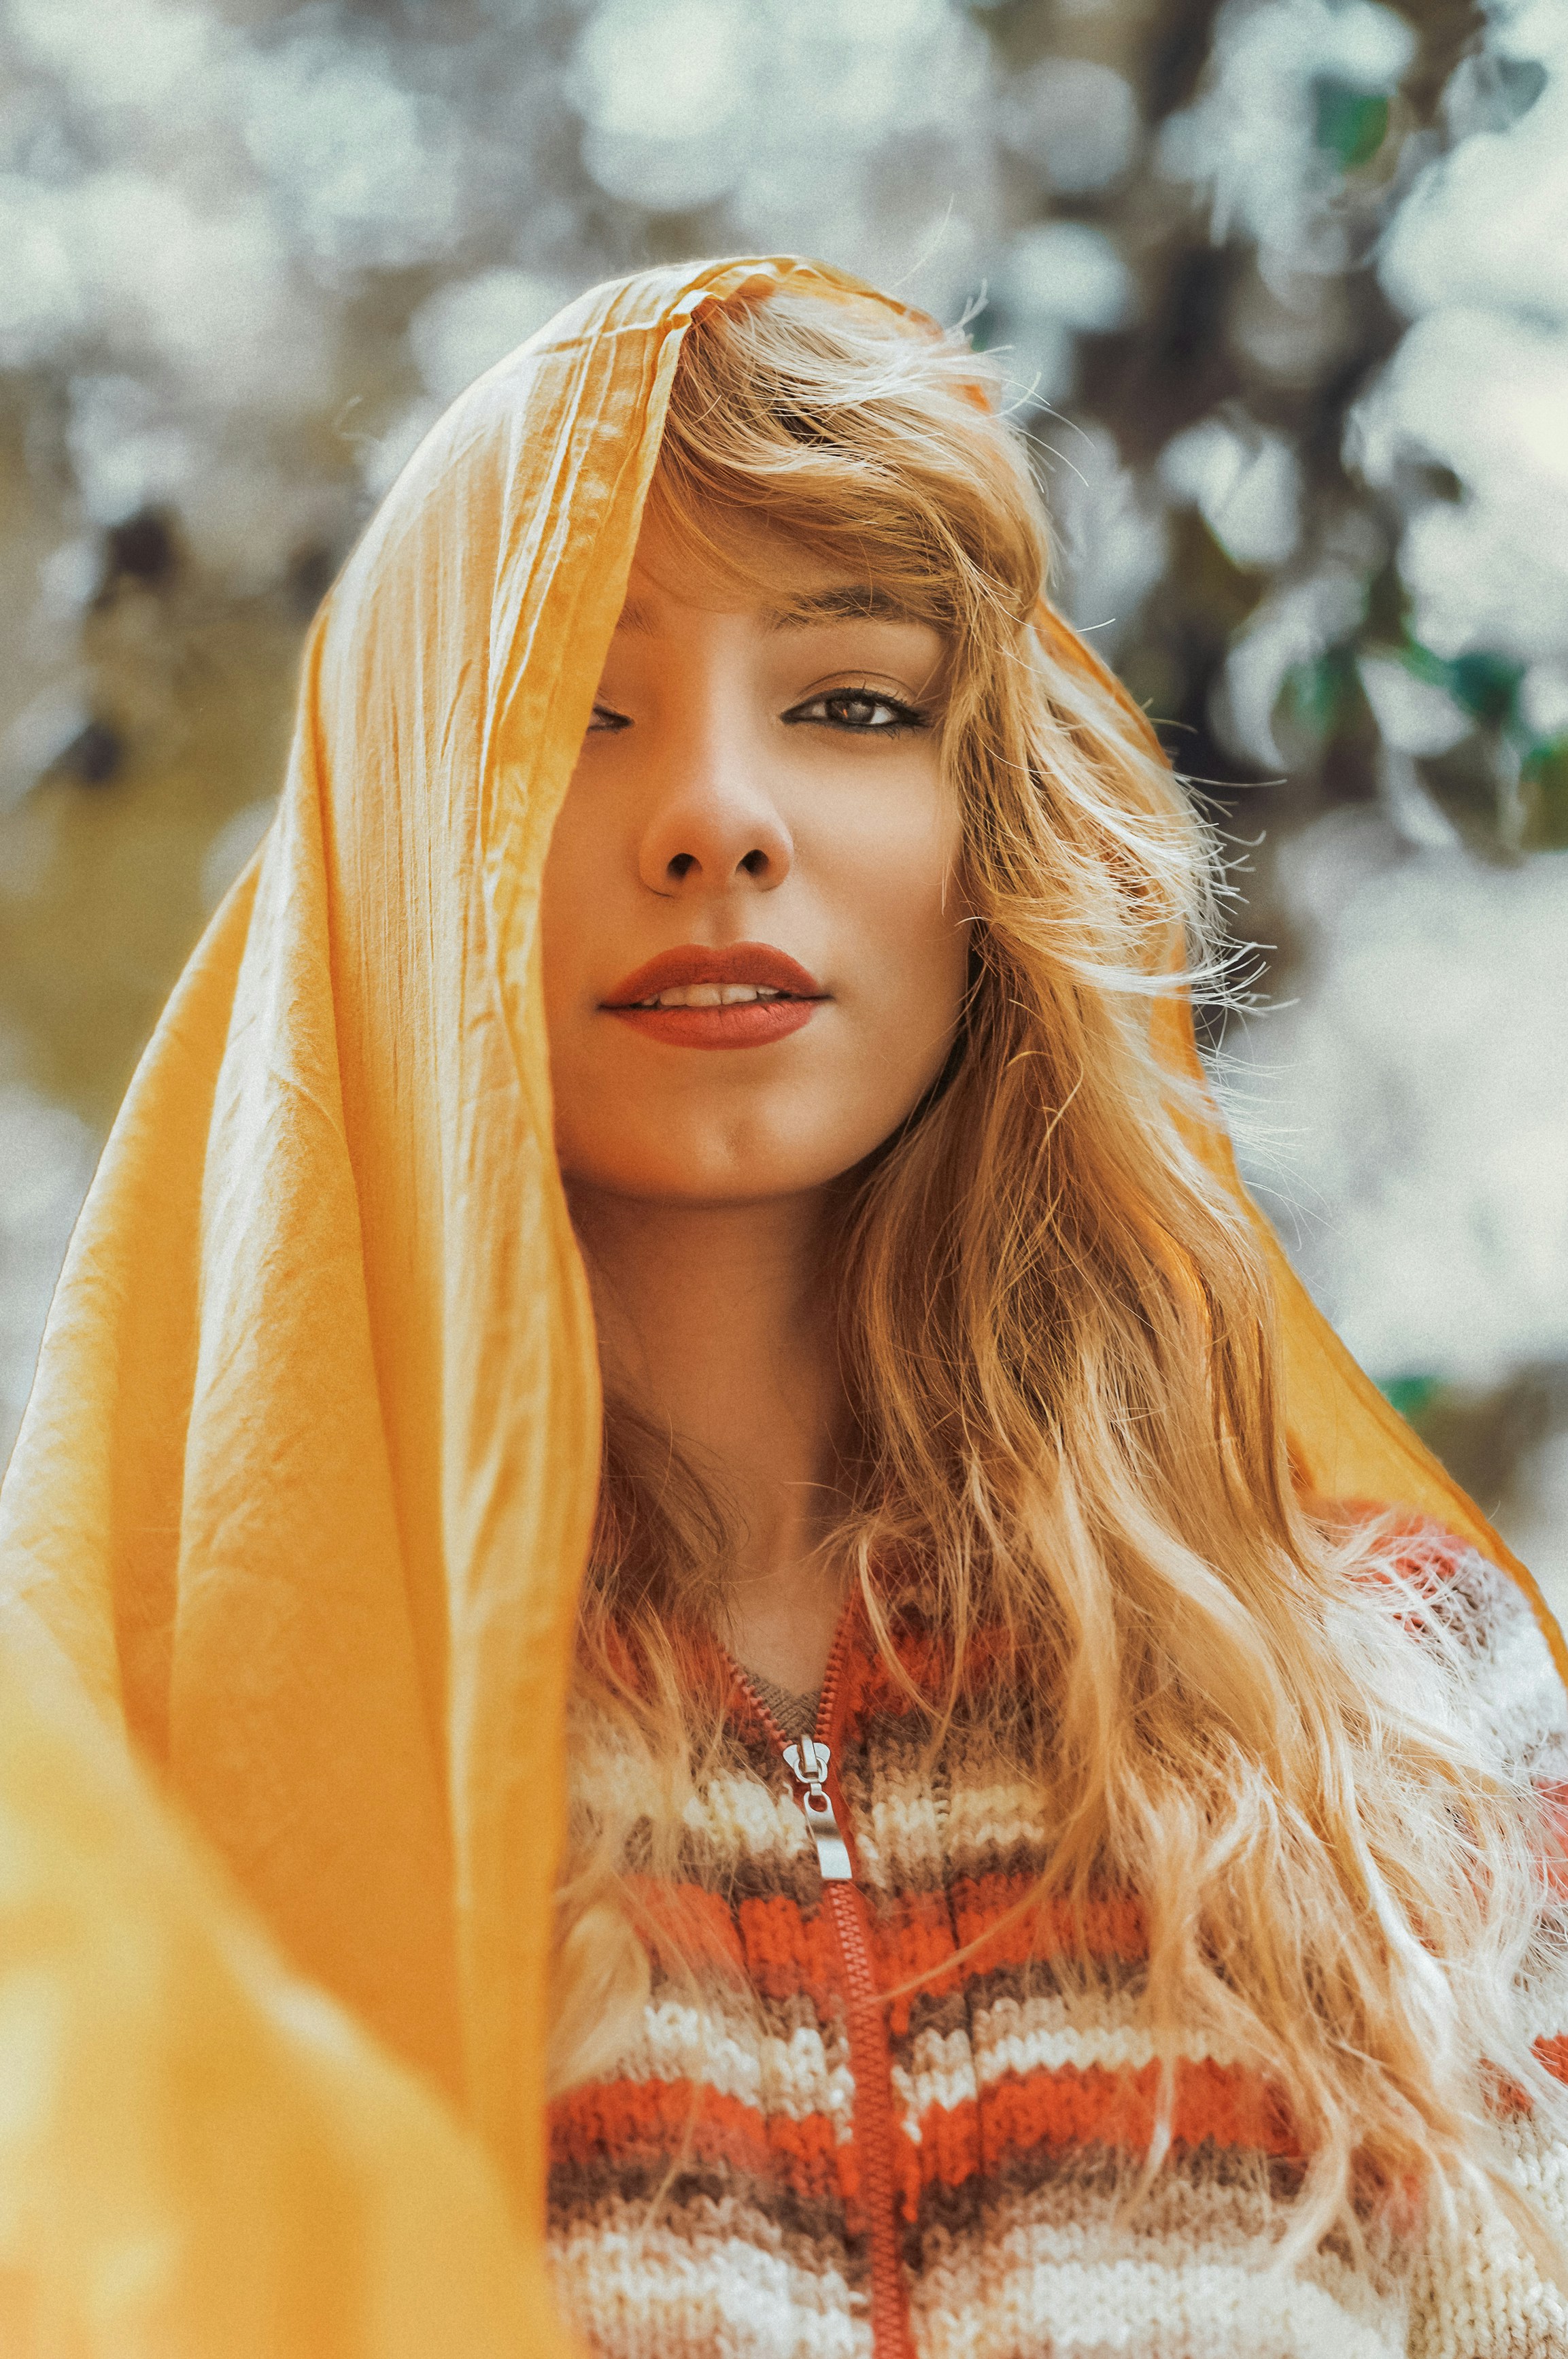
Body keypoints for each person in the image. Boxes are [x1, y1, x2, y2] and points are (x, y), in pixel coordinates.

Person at [1, 256, 1565, 2358]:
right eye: (572, 709)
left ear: (989, 832)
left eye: (851, 704)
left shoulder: (1402, 1710)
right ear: (400, 843)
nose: (718, 820)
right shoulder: (127, 1780)